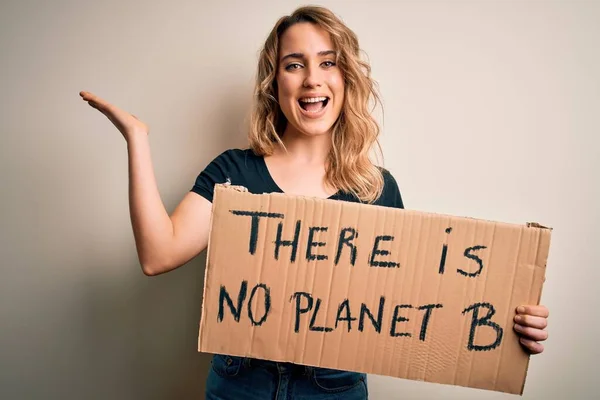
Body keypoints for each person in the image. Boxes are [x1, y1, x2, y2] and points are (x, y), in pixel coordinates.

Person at [79, 5, 550, 399]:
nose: (311, 80)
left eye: (327, 63)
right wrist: (136, 139)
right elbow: (158, 254)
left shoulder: (375, 189)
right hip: (242, 386)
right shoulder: (234, 172)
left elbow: (421, 307)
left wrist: (509, 325)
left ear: (345, 79)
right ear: (275, 81)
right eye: (294, 63)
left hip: (334, 390)